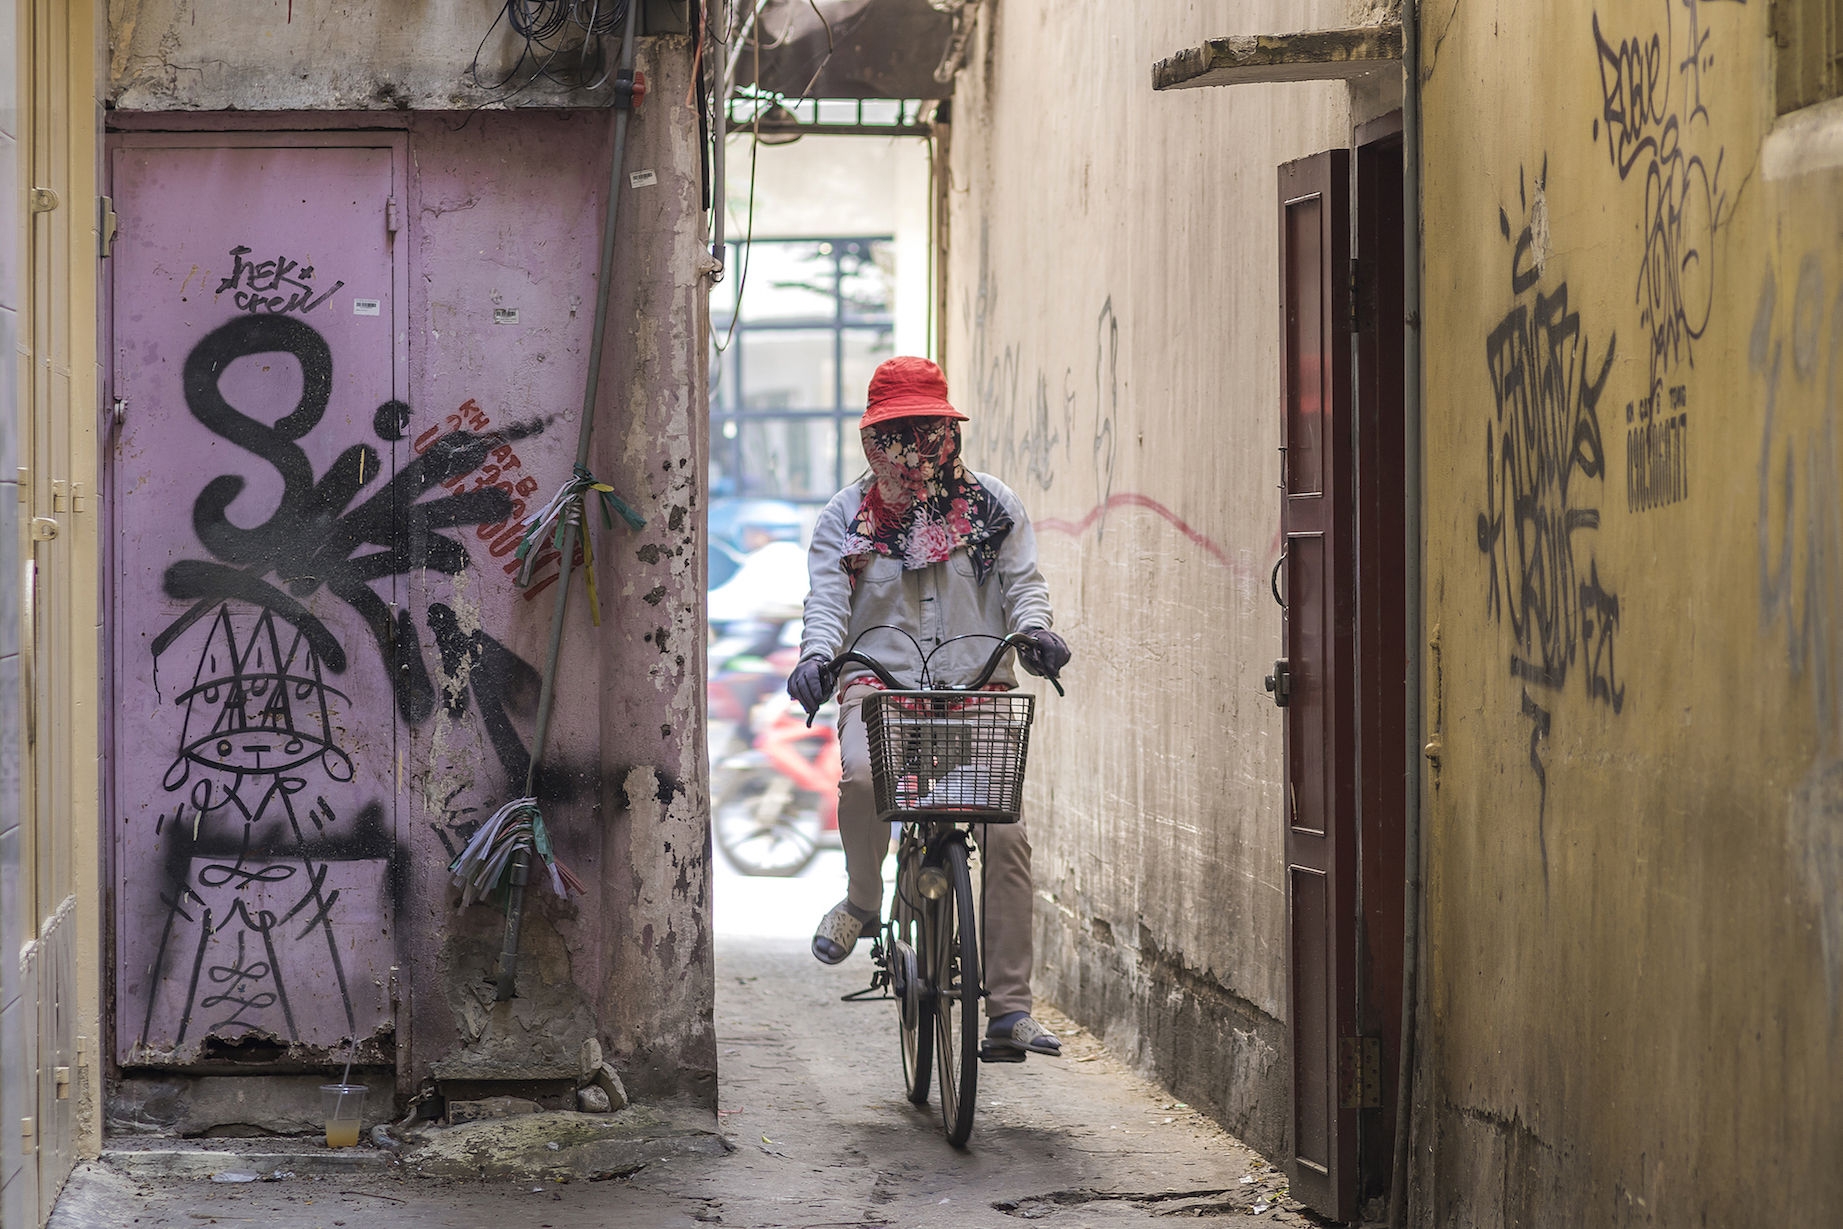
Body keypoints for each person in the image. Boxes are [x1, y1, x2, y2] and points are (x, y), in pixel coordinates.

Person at [787, 356, 1072, 1060]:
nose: (912, 449)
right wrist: (816, 657)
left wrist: (1035, 632)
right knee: (859, 782)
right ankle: (860, 900)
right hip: (880, 690)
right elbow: (826, 604)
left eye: (926, 429)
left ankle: (1008, 1007)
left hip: (974, 687)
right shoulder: (844, 519)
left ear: (948, 430)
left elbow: (1022, 586)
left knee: (1007, 836)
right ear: (873, 440)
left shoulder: (993, 507)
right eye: (896, 433)